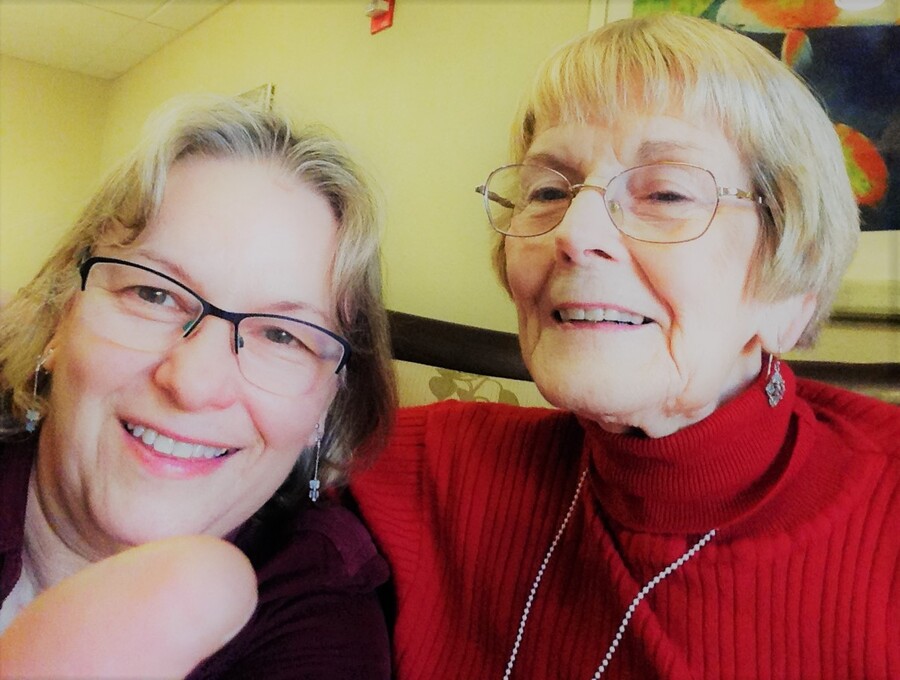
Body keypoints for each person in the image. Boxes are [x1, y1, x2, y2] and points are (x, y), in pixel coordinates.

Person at [351, 13, 900, 679]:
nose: (575, 233)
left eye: (666, 192)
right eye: (548, 189)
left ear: (790, 295)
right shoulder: (432, 469)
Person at [0, 94, 396, 678]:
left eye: (283, 336)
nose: (192, 382)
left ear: (327, 405)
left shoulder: (319, 622)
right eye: (153, 294)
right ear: (61, 314)